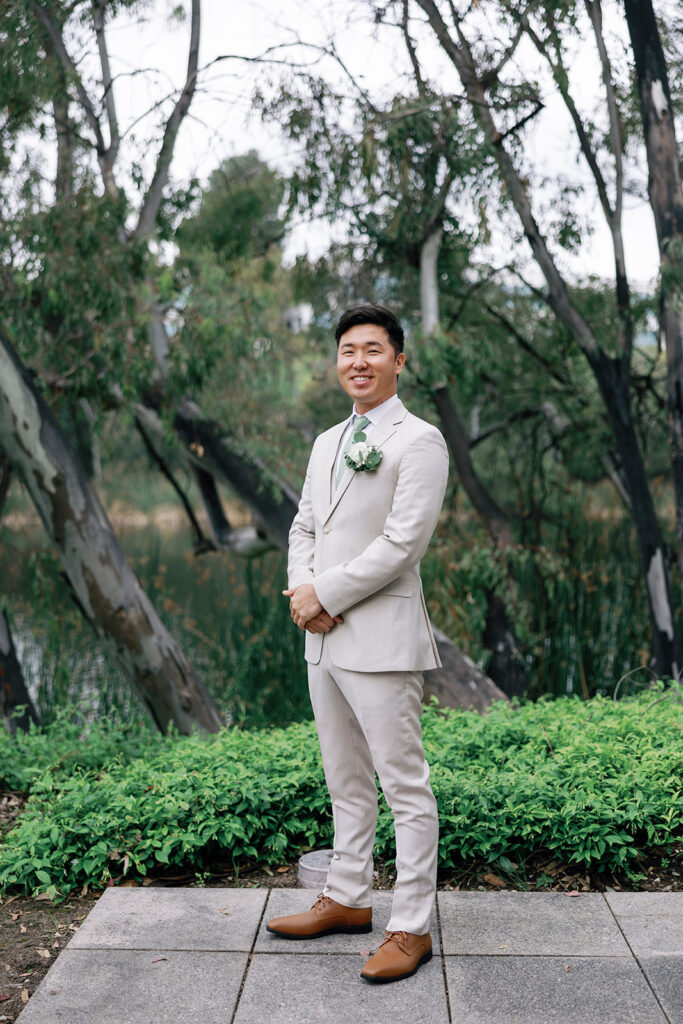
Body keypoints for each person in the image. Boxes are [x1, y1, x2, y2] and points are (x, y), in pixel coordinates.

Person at [266, 303, 449, 983]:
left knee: (404, 786)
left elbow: (403, 544)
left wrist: (327, 594)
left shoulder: (420, 440)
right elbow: (303, 527)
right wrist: (300, 593)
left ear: (398, 361)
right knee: (344, 782)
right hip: (323, 638)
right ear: (336, 361)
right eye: (348, 350)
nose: (359, 362)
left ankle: (409, 927)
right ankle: (345, 899)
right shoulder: (324, 443)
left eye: (373, 350)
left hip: (381, 638)